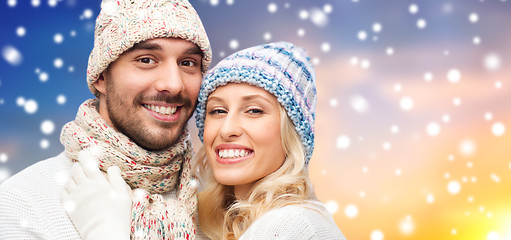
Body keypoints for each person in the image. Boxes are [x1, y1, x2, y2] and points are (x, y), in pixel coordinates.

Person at [62, 42, 346, 239]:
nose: (227, 129)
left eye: (254, 111)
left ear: (291, 132)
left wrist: (106, 231)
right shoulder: (228, 223)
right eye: (217, 111)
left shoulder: (290, 225)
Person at [0, 0, 211, 239]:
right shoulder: (24, 204)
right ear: (100, 77)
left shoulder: (219, 204)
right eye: (146, 60)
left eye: (187, 63)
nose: (173, 84)